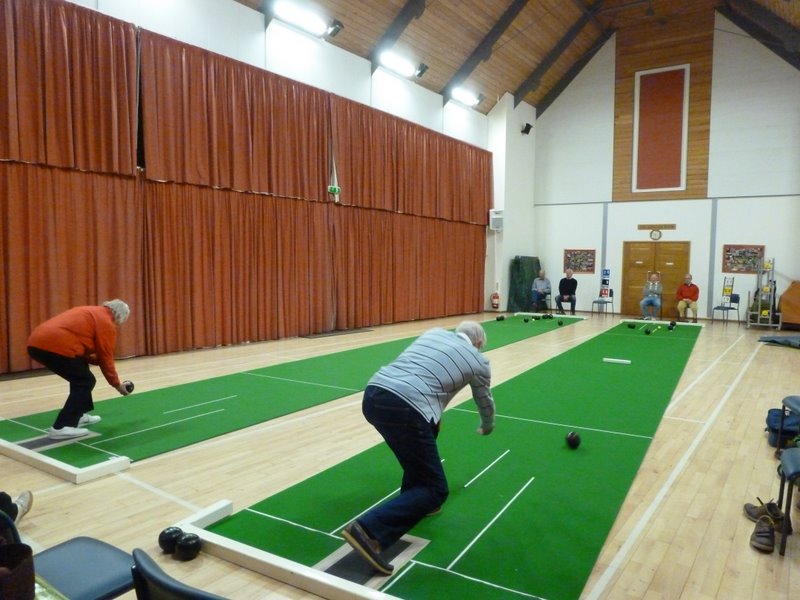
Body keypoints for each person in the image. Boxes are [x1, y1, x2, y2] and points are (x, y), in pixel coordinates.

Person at [341, 321, 495, 575]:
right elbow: (484, 400)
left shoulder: (434, 333)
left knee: (427, 432)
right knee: (436, 489)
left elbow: (422, 371)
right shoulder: (479, 361)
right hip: (407, 407)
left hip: (374, 395)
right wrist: (487, 425)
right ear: (478, 343)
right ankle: (369, 531)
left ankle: (415, 498)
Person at [27, 300, 132, 440]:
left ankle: (79, 414)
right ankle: (62, 427)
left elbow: (87, 353)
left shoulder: (91, 311)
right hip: (53, 346)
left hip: (36, 343)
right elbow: (105, 357)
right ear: (120, 316)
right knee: (85, 381)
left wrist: (100, 360)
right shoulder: (106, 322)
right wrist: (117, 385)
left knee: (81, 372)